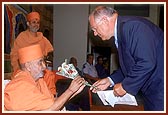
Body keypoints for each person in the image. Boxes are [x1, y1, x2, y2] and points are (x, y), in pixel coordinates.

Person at [89, 6, 164, 111]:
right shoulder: (123, 30)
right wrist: (110, 80)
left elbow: (146, 63)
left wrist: (125, 86)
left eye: (95, 28)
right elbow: (132, 65)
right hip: (154, 92)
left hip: (161, 90)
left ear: (105, 20)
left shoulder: (133, 27)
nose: (95, 33)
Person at [4, 44, 86, 111]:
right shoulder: (21, 85)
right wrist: (70, 90)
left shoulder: (39, 80)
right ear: (28, 66)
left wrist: (75, 91)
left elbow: (52, 103)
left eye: (43, 61)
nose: (44, 66)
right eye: (40, 62)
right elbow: (50, 110)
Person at [10, 11, 53, 76]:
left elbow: (50, 53)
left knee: (50, 77)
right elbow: (14, 56)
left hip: (39, 71)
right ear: (28, 24)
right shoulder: (22, 37)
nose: (36, 25)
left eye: (38, 23)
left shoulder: (42, 38)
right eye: (33, 22)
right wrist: (20, 71)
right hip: (25, 71)